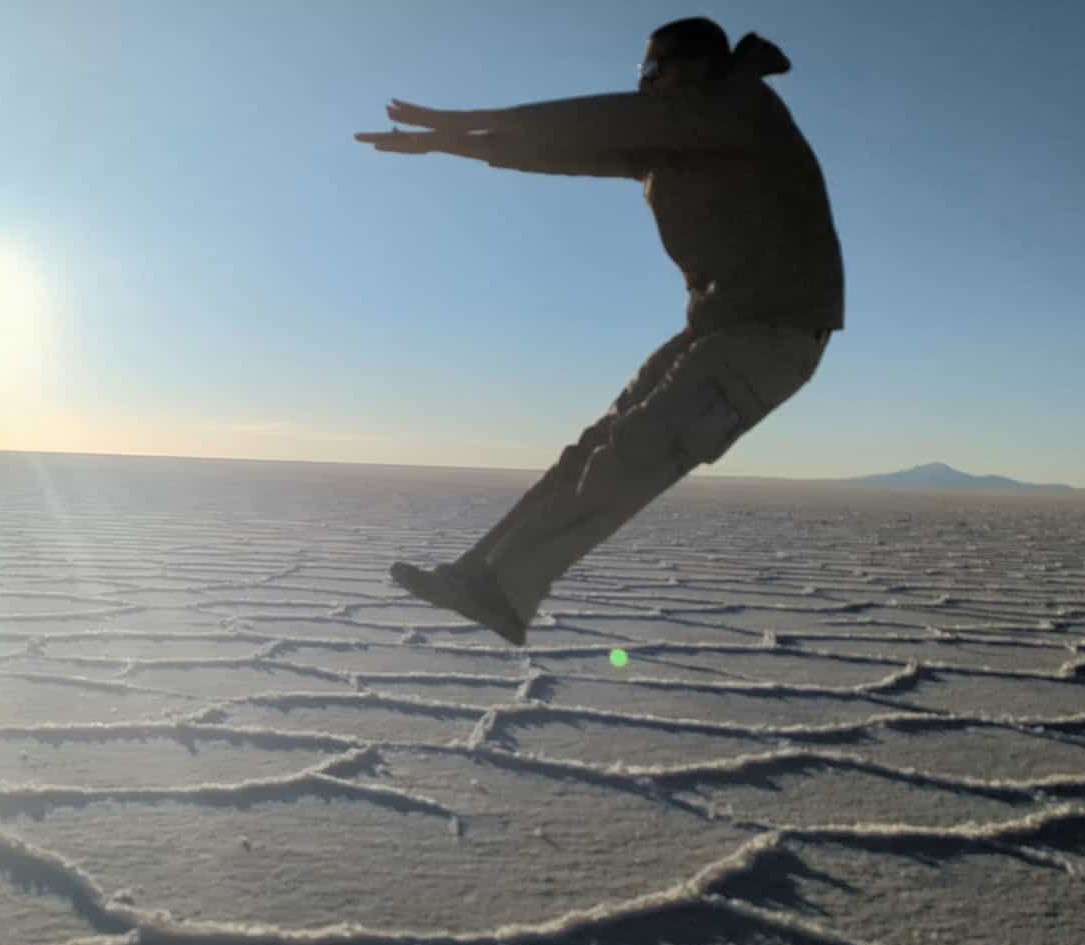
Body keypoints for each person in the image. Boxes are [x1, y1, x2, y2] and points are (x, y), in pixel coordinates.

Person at [356, 17, 844, 646]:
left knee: (631, 454)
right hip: (719, 325)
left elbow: (597, 119)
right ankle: (475, 574)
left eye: (652, 70)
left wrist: (464, 120)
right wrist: (453, 144)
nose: (643, 84)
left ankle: (505, 591)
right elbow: (568, 150)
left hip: (774, 331)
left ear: (693, 67)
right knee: (589, 451)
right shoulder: (679, 132)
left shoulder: (735, 106)